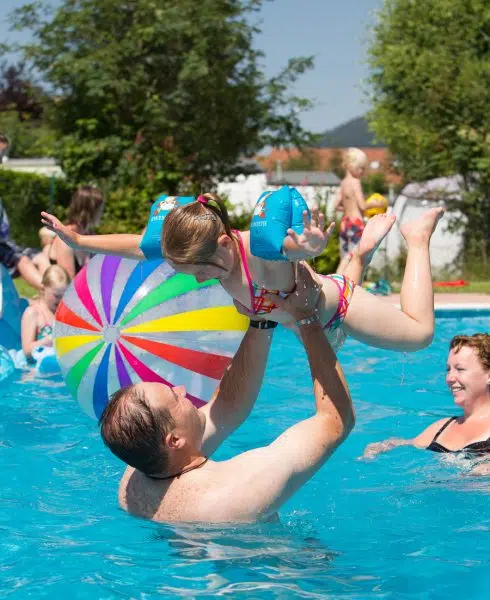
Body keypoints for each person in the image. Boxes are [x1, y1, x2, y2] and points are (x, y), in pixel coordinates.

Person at [99, 263, 355, 523]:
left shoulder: (133, 482)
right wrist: (307, 319)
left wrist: (261, 320)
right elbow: (335, 421)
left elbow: (227, 406)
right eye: (175, 397)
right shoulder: (236, 491)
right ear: (174, 440)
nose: (182, 390)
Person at [42, 191, 443, 354]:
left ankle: (417, 237)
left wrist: (309, 247)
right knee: (319, 299)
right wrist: (79, 243)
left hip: (338, 312)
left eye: (201, 271)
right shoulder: (199, 245)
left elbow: (288, 249)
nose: (199, 280)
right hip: (304, 319)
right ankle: (363, 250)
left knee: (420, 335)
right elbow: (138, 246)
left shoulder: (255, 251)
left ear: (221, 245)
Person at [363, 334, 490, 467]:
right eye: (448, 370)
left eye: (460, 369)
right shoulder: (442, 427)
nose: (450, 378)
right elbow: (409, 444)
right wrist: (383, 446)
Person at [0, 134, 46, 291]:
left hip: (5, 243)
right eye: (0, 155)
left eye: (3, 155)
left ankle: (56, 293)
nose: (1, 161)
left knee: (41, 257)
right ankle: (53, 294)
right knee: (22, 260)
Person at [334, 148, 386, 274]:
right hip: (356, 223)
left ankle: (339, 281)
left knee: (345, 256)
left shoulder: (343, 183)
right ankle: (342, 280)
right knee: (355, 256)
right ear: (351, 166)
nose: (363, 172)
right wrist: (374, 203)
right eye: (361, 168)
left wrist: (348, 207)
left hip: (344, 223)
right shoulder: (355, 182)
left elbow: (336, 206)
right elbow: (362, 206)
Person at [47, 185, 104, 279]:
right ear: (90, 210)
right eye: (100, 208)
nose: (101, 212)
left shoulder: (90, 235)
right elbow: (69, 283)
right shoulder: (65, 237)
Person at [20, 264, 70, 360]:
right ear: (43, 289)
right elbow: (27, 351)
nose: (60, 300)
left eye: (64, 296)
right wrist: (49, 341)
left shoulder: (67, 313)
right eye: (56, 296)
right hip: (37, 369)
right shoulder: (33, 313)